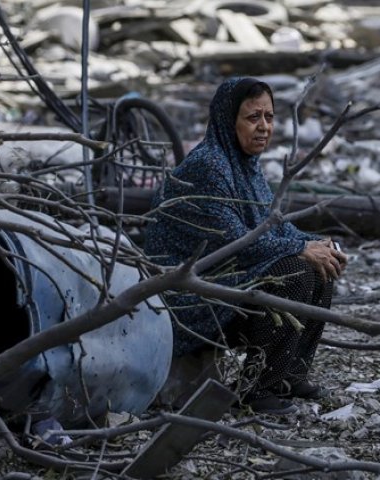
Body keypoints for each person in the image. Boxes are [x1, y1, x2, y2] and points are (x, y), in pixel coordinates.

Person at [144, 77, 347, 415]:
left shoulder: (245, 166)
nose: (264, 127)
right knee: (294, 271)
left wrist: (316, 244)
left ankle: (288, 376)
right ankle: (257, 389)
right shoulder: (209, 166)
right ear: (228, 120)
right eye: (253, 118)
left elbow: (272, 227)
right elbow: (238, 241)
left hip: (229, 280)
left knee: (320, 265)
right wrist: (301, 250)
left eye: (269, 117)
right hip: (191, 298)